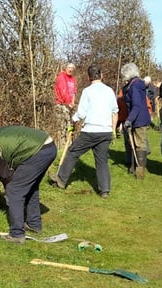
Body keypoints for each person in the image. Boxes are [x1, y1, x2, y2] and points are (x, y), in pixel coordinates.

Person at [0, 126, 57, 244]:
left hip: (38, 152)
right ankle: (34, 225)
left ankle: (17, 235)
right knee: (30, 187)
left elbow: (5, 174)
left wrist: (10, 193)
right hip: (48, 147)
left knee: (15, 190)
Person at [49, 64, 118, 198]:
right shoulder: (109, 91)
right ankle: (105, 190)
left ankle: (61, 180)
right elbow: (115, 112)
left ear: (88, 77)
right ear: (101, 75)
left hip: (91, 131)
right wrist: (113, 130)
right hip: (105, 132)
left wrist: (72, 122)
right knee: (102, 160)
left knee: (73, 151)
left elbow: (81, 113)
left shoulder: (87, 91)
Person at [121, 62, 152, 179]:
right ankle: (134, 167)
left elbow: (137, 105)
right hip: (137, 117)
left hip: (138, 119)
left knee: (139, 144)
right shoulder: (136, 84)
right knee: (133, 142)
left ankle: (140, 171)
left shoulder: (134, 86)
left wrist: (129, 120)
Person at [54, 63, 77, 145]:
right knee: (62, 126)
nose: (70, 69)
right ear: (65, 68)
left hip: (70, 105)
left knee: (70, 125)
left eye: (72, 68)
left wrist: (73, 103)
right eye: (69, 68)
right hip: (61, 105)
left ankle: (69, 143)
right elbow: (63, 92)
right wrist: (68, 103)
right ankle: (62, 145)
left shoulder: (73, 79)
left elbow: (74, 92)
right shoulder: (61, 77)